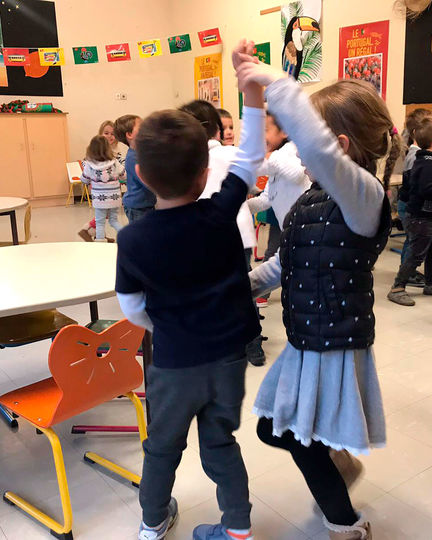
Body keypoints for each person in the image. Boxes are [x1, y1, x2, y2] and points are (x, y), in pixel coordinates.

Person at [235, 52, 401, 539]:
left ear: (339, 144)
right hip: (308, 336)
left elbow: (321, 154)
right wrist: (240, 286)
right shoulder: (312, 198)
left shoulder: (365, 194)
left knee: (290, 435)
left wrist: (276, 85)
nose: (293, 145)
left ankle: (347, 526)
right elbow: (286, 263)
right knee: (274, 427)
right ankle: (340, 468)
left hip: (335, 341)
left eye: (304, 135)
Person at [116, 40, 265, 540]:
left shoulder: (133, 238)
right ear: (206, 173)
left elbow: (131, 306)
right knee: (221, 443)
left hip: (175, 362)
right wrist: (252, 94)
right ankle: (238, 527)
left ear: (139, 176)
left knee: (162, 447)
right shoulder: (222, 213)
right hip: (229, 358)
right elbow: (249, 157)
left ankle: (152, 521)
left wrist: (165, 325)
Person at [181, 99, 266, 366]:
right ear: (216, 130)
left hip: (202, 236)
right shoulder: (231, 154)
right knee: (241, 289)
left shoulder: (187, 158)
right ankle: (253, 345)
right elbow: (260, 170)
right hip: (236, 235)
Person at [388, 115, 432, 307]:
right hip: (419, 216)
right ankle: (397, 287)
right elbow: (424, 190)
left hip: (426, 215)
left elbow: (420, 184)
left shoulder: (426, 159)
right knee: (417, 253)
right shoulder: (428, 162)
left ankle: (431, 283)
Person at [248, 112, 311, 307]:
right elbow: (267, 198)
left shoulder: (291, 152)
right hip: (292, 237)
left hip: (308, 238)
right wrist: (239, 208)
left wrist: (265, 160)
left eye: (266, 130)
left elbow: (295, 173)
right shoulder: (278, 162)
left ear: (284, 131)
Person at [398, 107, 432, 287]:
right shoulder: (416, 155)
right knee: (413, 240)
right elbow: (415, 185)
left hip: (408, 204)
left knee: (411, 239)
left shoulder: (418, 154)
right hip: (409, 205)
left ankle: (407, 269)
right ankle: (407, 272)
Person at [78, 120, 128, 242]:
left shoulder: (91, 162)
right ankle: (127, 237)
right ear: (101, 133)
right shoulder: (114, 160)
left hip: (99, 196)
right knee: (112, 220)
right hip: (115, 196)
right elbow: (123, 174)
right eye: (106, 133)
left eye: (112, 134)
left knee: (100, 220)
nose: (110, 136)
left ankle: (97, 239)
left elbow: (84, 177)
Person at [115, 114, 156, 223]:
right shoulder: (133, 158)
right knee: (143, 237)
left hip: (145, 204)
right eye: (142, 126)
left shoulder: (141, 153)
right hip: (137, 208)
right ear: (129, 134)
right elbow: (147, 182)